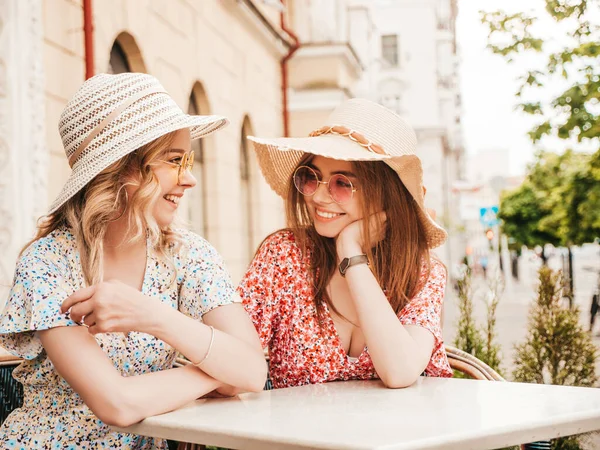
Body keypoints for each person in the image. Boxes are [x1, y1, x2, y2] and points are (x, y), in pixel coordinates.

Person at [0, 73, 266, 448]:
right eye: (175, 160)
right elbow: (117, 404)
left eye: (188, 160)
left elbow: (253, 371)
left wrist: (152, 315)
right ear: (121, 168)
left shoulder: (188, 254)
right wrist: (217, 373)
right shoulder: (46, 264)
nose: (189, 179)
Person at [238, 98, 452, 390]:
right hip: (298, 435)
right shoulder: (284, 254)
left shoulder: (421, 273)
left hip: (396, 434)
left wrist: (351, 250)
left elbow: (400, 371)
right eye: (310, 177)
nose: (318, 197)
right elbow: (233, 357)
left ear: (386, 194)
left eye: (342, 183)